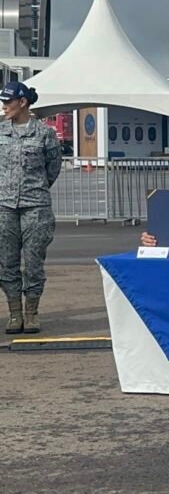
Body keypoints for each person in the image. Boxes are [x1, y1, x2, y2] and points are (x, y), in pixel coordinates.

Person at [0, 81, 62, 334]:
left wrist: (34, 189)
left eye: (8, 102)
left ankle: (32, 312)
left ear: (22, 102)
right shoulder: (0, 132)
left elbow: (52, 169)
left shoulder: (45, 134)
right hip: (4, 206)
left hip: (35, 206)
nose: (4, 107)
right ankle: (15, 314)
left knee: (34, 262)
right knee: (6, 263)